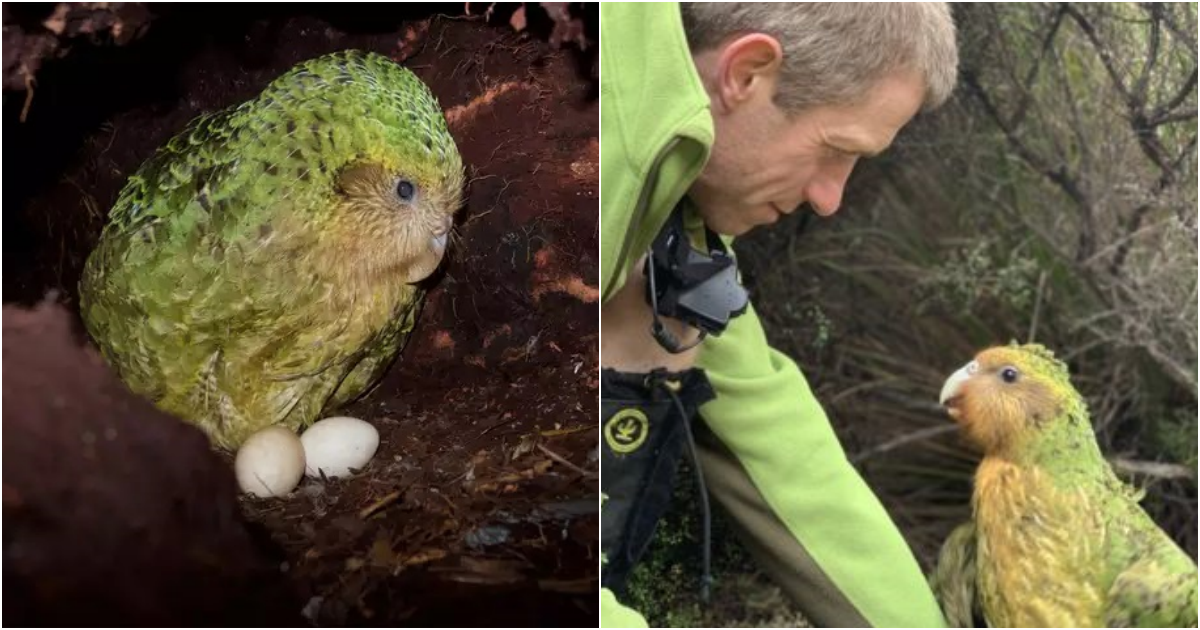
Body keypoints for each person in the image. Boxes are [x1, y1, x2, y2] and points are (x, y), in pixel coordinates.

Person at [599, 3, 960, 627]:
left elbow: (787, 456)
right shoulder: (571, 136)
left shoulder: (678, 199)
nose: (828, 198)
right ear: (746, 73)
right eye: (835, 150)